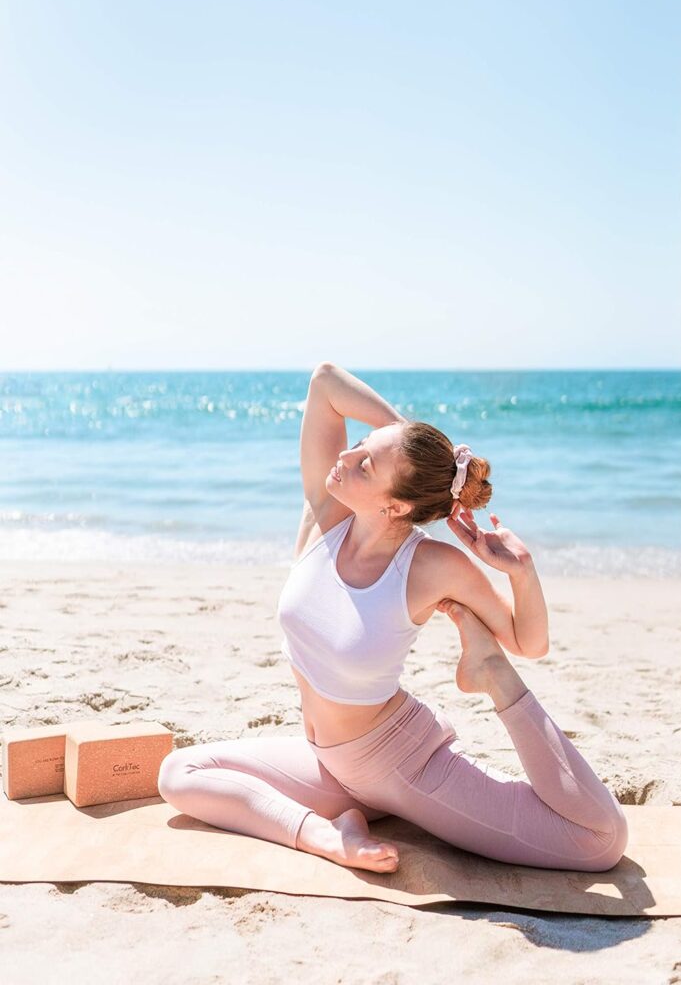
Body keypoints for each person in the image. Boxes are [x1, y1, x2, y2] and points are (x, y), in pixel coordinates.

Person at [158, 362, 628, 875]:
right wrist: (406, 443)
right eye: (362, 446)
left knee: (597, 841)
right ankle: (328, 836)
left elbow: (529, 641)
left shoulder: (430, 566)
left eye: (366, 466)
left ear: (398, 507)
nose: (347, 457)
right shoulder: (326, 515)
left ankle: (487, 672)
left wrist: (522, 573)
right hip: (330, 763)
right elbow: (325, 382)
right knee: (180, 772)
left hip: (403, 766)